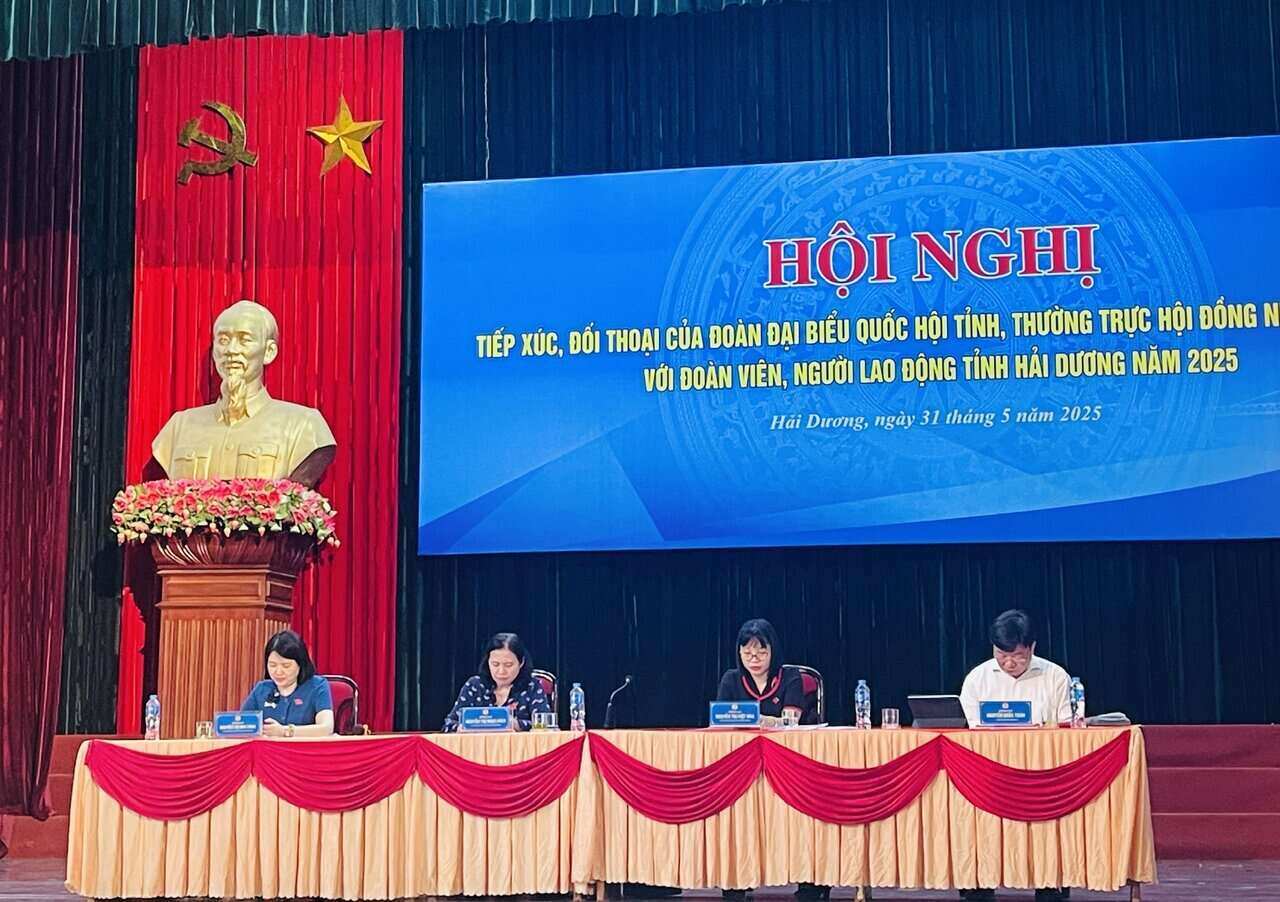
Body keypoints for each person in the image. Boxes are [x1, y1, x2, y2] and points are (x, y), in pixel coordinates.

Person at [150, 299, 336, 486]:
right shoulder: (178, 427)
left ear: (269, 351)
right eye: (223, 340)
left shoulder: (304, 426)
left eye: (244, 340)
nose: (231, 350)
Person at [957, 610, 1071, 902]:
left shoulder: (1056, 677)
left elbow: (1068, 732)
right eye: (1001, 655)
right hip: (989, 776)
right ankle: (977, 884)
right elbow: (968, 734)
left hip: (1040, 776)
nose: (1009, 663)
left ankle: (1050, 883)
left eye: (1018, 656)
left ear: (1032, 647)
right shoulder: (977, 679)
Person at [717, 619, 826, 900]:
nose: (754, 659)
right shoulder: (731, 679)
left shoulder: (789, 677)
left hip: (790, 765)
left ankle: (810, 880)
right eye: (747, 653)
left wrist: (749, 718)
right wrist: (763, 720)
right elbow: (720, 723)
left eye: (761, 653)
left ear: (772, 651)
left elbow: (791, 721)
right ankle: (736, 878)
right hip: (742, 766)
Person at [442, 632, 551, 732]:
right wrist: (461, 728)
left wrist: (517, 725)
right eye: (495, 664)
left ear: (521, 662)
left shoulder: (532, 686)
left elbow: (546, 725)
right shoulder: (475, 686)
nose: (501, 671)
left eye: (508, 665)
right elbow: (448, 724)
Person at [241, 629, 334, 737]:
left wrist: (285, 731)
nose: (278, 672)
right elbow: (243, 726)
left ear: (300, 664)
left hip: (303, 752)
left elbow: (326, 728)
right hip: (268, 751)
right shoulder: (262, 689)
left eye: (286, 666)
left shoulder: (317, 686)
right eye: (272, 665)